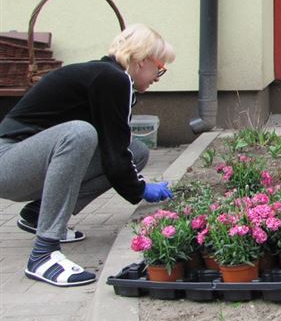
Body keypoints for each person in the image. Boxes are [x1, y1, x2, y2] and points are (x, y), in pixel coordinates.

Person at [0, 24, 176, 287]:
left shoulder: (106, 76)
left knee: (136, 152)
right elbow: (115, 157)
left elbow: (117, 149)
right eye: (159, 68)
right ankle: (43, 255)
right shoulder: (113, 79)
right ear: (141, 61)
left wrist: (137, 186)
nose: (158, 77)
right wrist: (140, 189)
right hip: (7, 161)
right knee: (79, 134)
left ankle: (37, 215)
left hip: (23, 162)